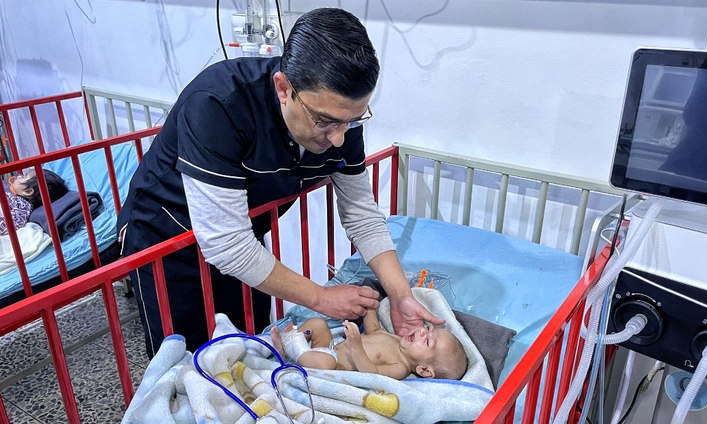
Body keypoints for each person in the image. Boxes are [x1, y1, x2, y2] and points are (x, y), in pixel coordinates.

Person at [117, 7, 444, 357]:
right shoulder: (219, 105)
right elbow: (225, 244)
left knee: (249, 344)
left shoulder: (341, 123)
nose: (338, 138)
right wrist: (321, 298)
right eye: (324, 121)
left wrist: (400, 295)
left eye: (352, 119)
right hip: (167, 239)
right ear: (283, 88)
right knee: (188, 360)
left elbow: (362, 215)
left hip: (243, 241)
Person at [271, 312, 468, 380]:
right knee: (317, 324)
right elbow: (373, 330)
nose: (423, 332)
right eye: (427, 329)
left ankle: (292, 347)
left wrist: (357, 346)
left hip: (332, 364)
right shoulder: (395, 339)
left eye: (427, 341)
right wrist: (371, 309)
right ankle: (290, 348)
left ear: (424, 370)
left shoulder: (400, 367)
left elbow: (371, 373)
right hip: (331, 345)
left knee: (325, 362)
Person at [1, 168, 69, 235]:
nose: (19, 176)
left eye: (23, 177)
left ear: (28, 191)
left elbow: (12, 222)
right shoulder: (13, 195)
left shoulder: (24, 206)